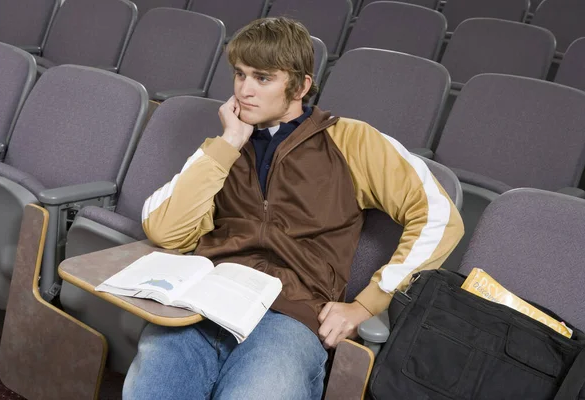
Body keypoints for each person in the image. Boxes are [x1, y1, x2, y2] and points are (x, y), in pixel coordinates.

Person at [123, 17, 463, 400]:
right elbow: (163, 228)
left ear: (301, 86)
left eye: (263, 78)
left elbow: (440, 216)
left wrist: (368, 304)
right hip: (206, 301)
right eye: (240, 74)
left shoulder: (351, 140)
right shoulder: (224, 146)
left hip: (291, 317)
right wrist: (227, 144)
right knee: (150, 388)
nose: (245, 90)